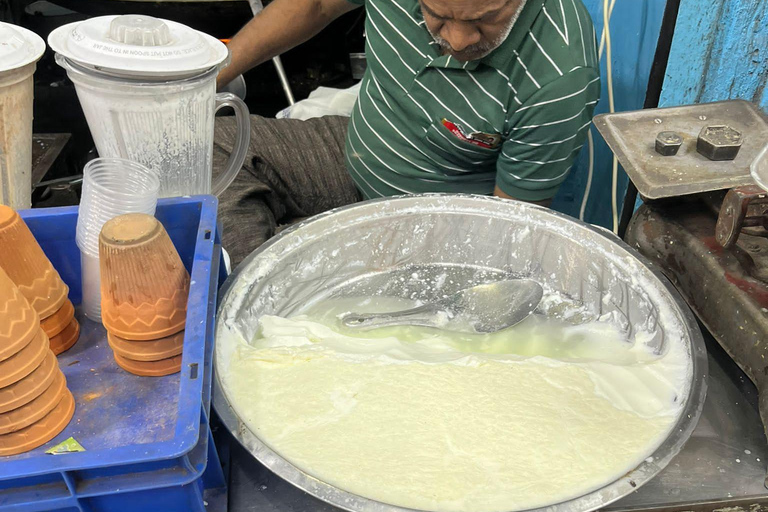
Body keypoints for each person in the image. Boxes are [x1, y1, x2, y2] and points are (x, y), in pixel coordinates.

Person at [214, 0, 600, 266]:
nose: (458, 41)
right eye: (436, 14)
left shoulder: (560, 76)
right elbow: (315, 5)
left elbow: (505, 233)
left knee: (358, 302)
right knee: (207, 146)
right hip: (356, 153)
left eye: (489, 16)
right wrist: (206, 79)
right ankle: (261, 289)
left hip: (440, 229)